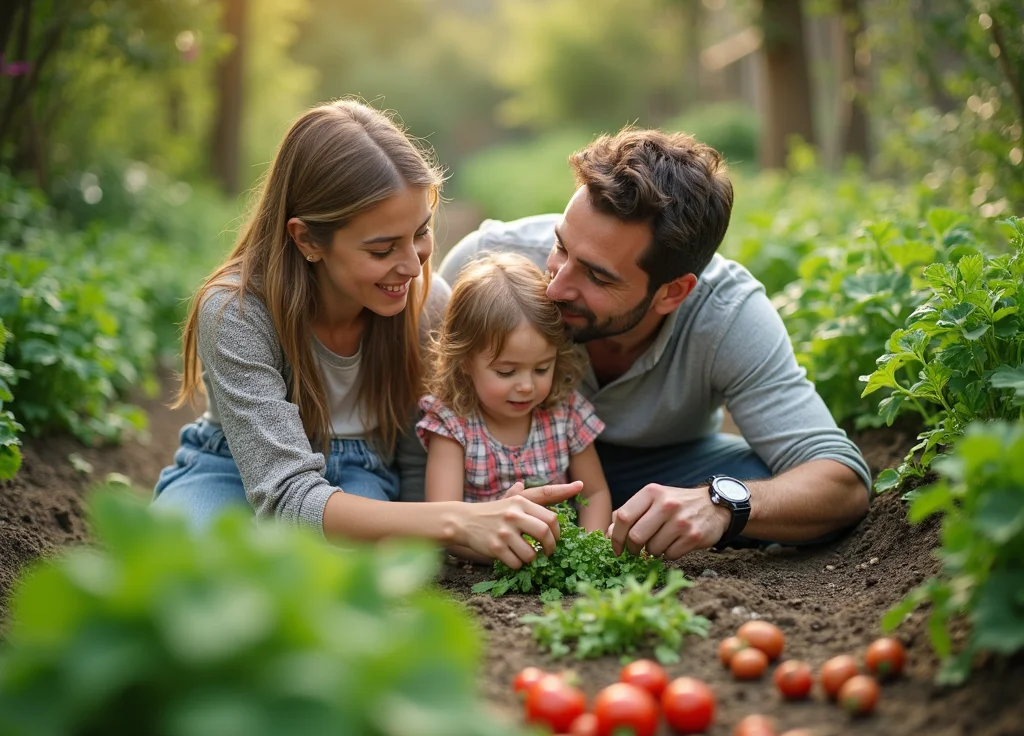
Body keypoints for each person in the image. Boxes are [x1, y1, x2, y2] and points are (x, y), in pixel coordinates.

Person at [152, 99, 580, 570]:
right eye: (381, 250)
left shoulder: (425, 305)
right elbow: (285, 493)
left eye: (420, 233)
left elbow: (417, 453)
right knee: (179, 569)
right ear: (307, 239)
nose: (411, 265)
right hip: (232, 466)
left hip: (361, 472)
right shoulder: (237, 312)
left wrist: (433, 544)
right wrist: (458, 520)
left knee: (340, 584)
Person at [424, 127, 871, 561]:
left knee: (759, 482)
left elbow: (842, 482)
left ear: (673, 292)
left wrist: (717, 505)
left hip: (663, 470)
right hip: (488, 474)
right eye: (560, 247)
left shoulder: (729, 315)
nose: (555, 287)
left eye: (597, 276)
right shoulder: (485, 267)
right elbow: (420, 427)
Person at [416, 254, 612, 561]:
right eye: (506, 372)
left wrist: (588, 551)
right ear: (465, 362)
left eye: (542, 368)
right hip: (487, 561)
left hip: (559, 554)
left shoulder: (564, 412)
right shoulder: (453, 425)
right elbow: (445, 521)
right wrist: (509, 554)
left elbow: (594, 492)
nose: (526, 386)